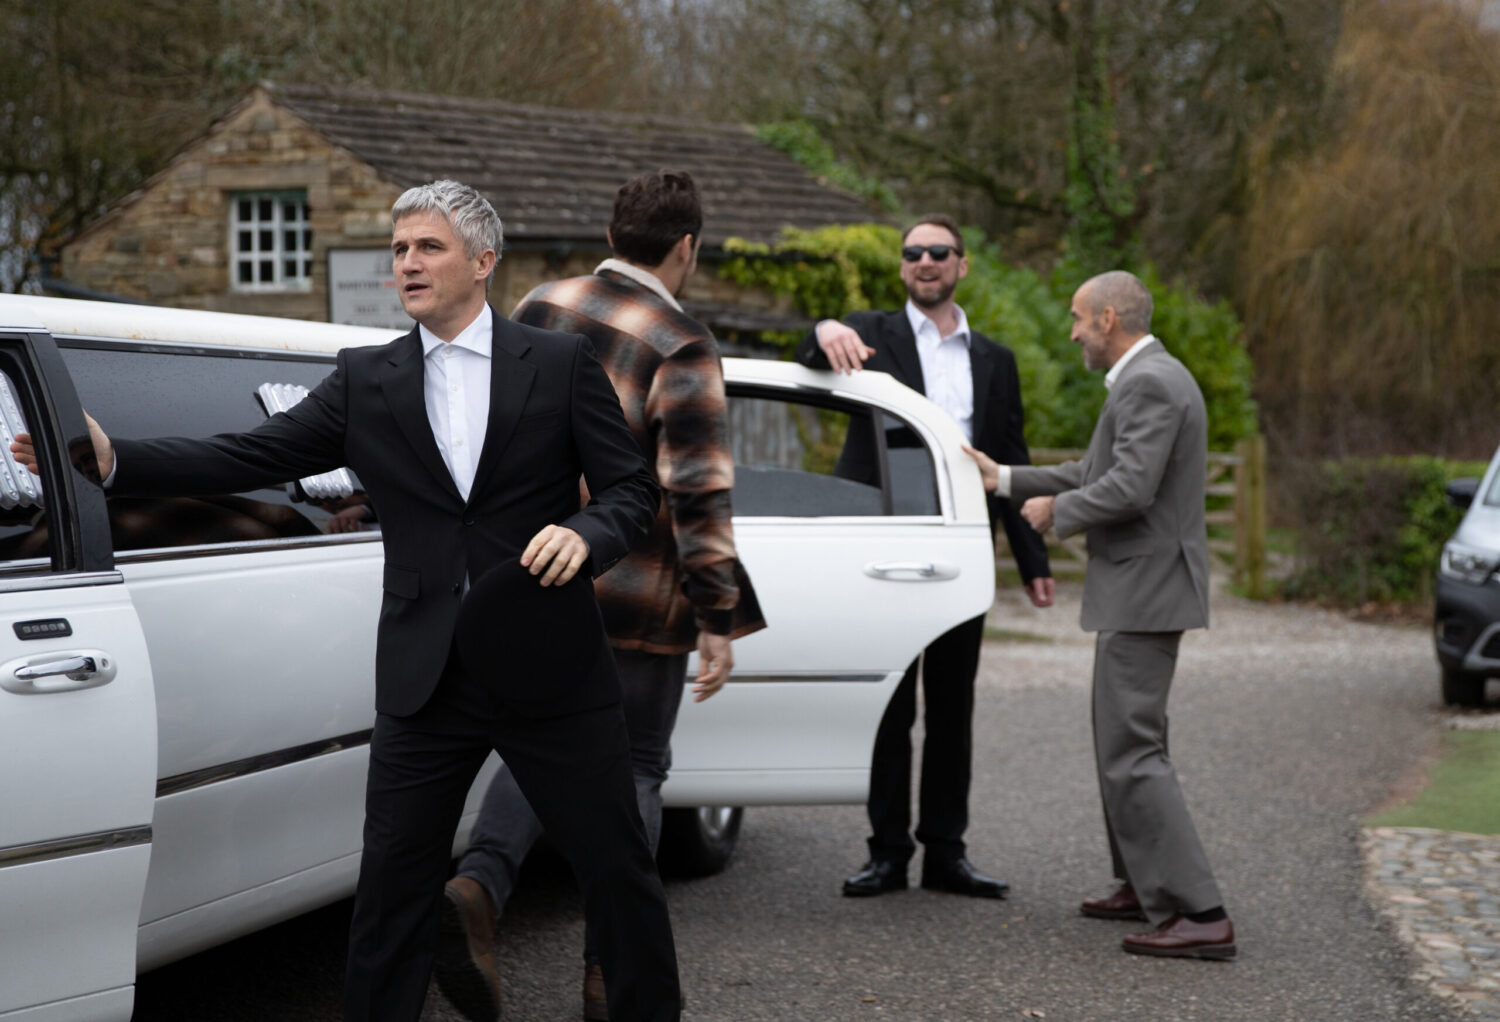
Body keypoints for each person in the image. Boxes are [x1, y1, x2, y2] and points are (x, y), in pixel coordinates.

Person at [14, 180, 684, 1019]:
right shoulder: (368, 378)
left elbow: (630, 491)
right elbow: (249, 452)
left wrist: (587, 534)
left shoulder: (557, 363)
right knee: (392, 897)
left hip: (549, 665)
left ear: (483, 262)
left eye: (428, 247)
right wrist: (114, 462)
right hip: (424, 677)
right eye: (399, 249)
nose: (407, 262)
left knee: (618, 874)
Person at [434, 169, 765, 1022]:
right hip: (638, 595)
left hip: (534, 576)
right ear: (685, 247)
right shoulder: (683, 344)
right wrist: (719, 615)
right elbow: (698, 494)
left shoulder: (542, 302)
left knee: (534, 748)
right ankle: (608, 973)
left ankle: (478, 887)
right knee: (637, 769)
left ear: (614, 231)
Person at [965, 269, 1235, 960]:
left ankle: (1200, 912)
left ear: (1110, 319)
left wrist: (1058, 514)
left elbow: (1128, 487)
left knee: (1133, 751)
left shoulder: (1151, 382)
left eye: (1081, 319)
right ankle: (1146, 886)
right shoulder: (1152, 378)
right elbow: (1094, 467)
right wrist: (1004, 479)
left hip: (1147, 592)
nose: (1075, 331)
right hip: (1143, 589)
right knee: (1126, 743)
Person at [794, 214, 1054, 900]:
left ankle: (947, 854)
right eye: (913, 253)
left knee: (951, 705)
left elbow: (1012, 460)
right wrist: (822, 329)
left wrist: (1033, 561)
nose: (925, 261)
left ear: (962, 265)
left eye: (939, 252)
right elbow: (807, 353)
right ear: (903, 267)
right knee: (890, 707)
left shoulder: (995, 359)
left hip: (961, 544)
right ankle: (886, 854)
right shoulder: (870, 333)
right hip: (884, 543)